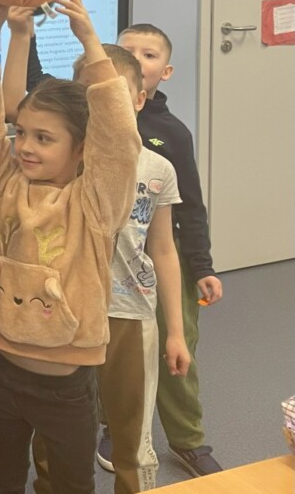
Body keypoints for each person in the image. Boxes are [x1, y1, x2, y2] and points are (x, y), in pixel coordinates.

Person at [0, 0, 140, 494]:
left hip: (65, 387)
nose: (25, 147)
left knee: (70, 485)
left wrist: (91, 43)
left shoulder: (95, 203)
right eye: (22, 133)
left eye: (44, 138)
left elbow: (120, 142)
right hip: (0, 369)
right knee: (2, 478)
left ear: (81, 148)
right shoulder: (5, 181)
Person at [6, 37, 193, 494]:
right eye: (88, 94)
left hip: (130, 312)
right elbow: (12, 110)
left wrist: (175, 330)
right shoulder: (61, 162)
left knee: (130, 432)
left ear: (138, 99)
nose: (101, 104)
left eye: (111, 94)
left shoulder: (158, 168)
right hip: (65, 313)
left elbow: (163, 249)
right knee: (56, 427)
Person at [117, 23, 224, 477]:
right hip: (108, 254)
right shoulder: (88, 119)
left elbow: (191, 206)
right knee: (113, 344)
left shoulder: (172, 135)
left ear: (167, 71)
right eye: (128, 53)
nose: (138, 61)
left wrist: (202, 266)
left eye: (149, 55)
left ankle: (188, 439)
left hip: (163, 250)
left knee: (175, 344)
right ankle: (113, 425)